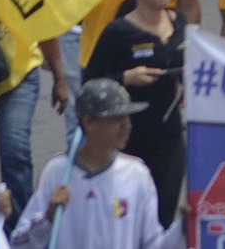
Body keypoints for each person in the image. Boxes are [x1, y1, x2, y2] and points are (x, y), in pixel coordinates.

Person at [81, 0, 185, 223]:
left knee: (163, 216)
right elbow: (89, 83)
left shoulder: (180, 23)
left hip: (169, 136)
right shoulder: (118, 32)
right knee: (124, 216)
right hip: (126, 138)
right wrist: (126, 78)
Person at [12, 80, 175, 249]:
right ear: (89, 122)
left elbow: (154, 243)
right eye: (117, 118)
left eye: (127, 117)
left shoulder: (137, 174)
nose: (127, 125)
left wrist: (182, 229)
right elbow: (19, 244)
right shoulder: (56, 172)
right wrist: (47, 219)